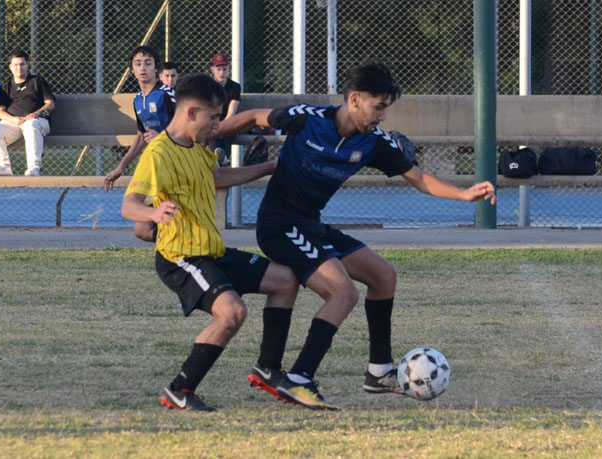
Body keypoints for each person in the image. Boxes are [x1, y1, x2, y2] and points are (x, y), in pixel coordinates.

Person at [215, 60, 497, 410]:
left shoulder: (374, 142)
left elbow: (418, 177)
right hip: (279, 224)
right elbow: (256, 116)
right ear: (355, 100)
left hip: (310, 224)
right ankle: (300, 378)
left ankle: (378, 373)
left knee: (383, 275)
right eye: (378, 107)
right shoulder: (309, 118)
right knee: (343, 293)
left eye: (385, 109)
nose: (382, 117)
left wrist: (464, 194)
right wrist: (209, 133)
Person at [121, 72, 299, 412]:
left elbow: (216, 177)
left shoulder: (197, 149)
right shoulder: (158, 154)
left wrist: (270, 167)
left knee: (285, 279)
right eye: (214, 117)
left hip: (211, 252)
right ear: (191, 113)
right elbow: (129, 205)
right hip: (181, 257)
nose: (217, 125)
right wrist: (153, 215)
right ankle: (180, 388)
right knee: (232, 313)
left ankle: (269, 370)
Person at [103, 46, 177, 242]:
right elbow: (141, 135)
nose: (143, 67)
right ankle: (178, 247)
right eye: (138, 64)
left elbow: (187, 127)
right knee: (143, 230)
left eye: (148, 63)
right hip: (156, 163)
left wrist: (163, 136)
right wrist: (121, 167)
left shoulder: (167, 93)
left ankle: (184, 251)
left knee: (159, 221)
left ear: (156, 68)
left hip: (177, 162)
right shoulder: (138, 100)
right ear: (132, 70)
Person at [0, 50, 55, 177]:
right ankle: (3, 166)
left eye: (22, 64)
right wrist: (13, 120)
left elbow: (50, 104)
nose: (19, 67)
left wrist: (36, 114)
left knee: (31, 125)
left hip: (38, 121)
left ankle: (34, 168)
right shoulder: (6, 87)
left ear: (27, 65)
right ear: (10, 67)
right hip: (14, 123)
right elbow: (0, 112)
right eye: (16, 65)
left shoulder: (37, 81)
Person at [210, 53, 240, 164]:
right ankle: (223, 159)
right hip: (212, 120)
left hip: (228, 121)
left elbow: (232, 111)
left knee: (231, 129)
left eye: (224, 69)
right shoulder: (208, 85)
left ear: (229, 70)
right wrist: (217, 125)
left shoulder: (235, 87)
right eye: (218, 69)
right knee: (210, 128)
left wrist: (223, 126)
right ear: (212, 69)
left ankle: (219, 158)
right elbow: (208, 110)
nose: (221, 72)